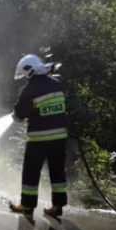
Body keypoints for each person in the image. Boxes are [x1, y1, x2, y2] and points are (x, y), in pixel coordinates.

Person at [9, 53, 68, 218]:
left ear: (29, 71)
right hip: (59, 138)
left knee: (31, 172)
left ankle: (27, 205)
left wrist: (14, 116)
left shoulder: (31, 89)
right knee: (57, 172)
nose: (25, 79)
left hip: (39, 139)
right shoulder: (57, 85)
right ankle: (57, 206)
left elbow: (19, 115)